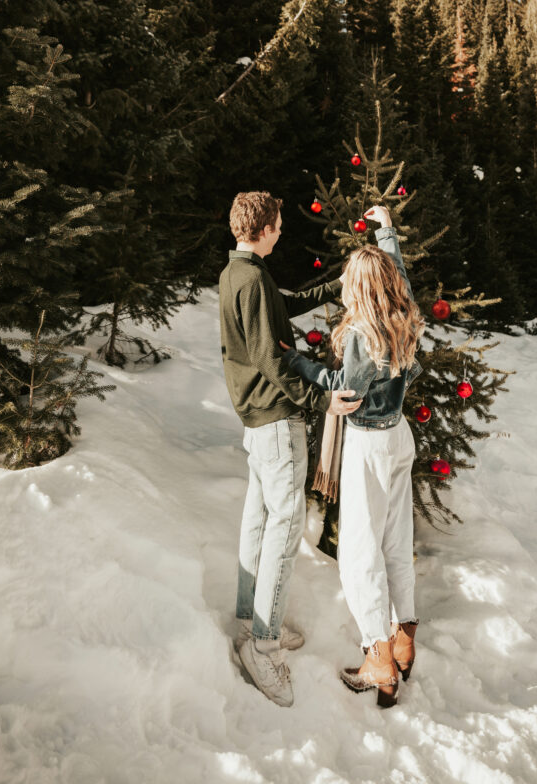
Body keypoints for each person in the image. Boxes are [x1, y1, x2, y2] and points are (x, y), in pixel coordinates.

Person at [219, 191, 363, 707]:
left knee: (258, 520)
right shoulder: (252, 280)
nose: (282, 230)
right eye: (278, 224)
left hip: (256, 421)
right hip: (276, 423)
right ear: (263, 228)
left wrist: (335, 285)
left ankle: (249, 619)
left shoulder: (238, 272)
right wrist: (322, 398)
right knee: (282, 530)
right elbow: (271, 360)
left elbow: (280, 306)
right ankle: (263, 645)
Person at [279, 204, 424, 708]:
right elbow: (400, 276)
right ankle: (403, 636)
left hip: (368, 446)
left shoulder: (365, 332)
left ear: (358, 289)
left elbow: (348, 388)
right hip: (400, 436)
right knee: (395, 542)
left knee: (360, 556)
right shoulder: (401, 310)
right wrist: (386, 230)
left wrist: (297, 361)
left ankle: (377, 657)